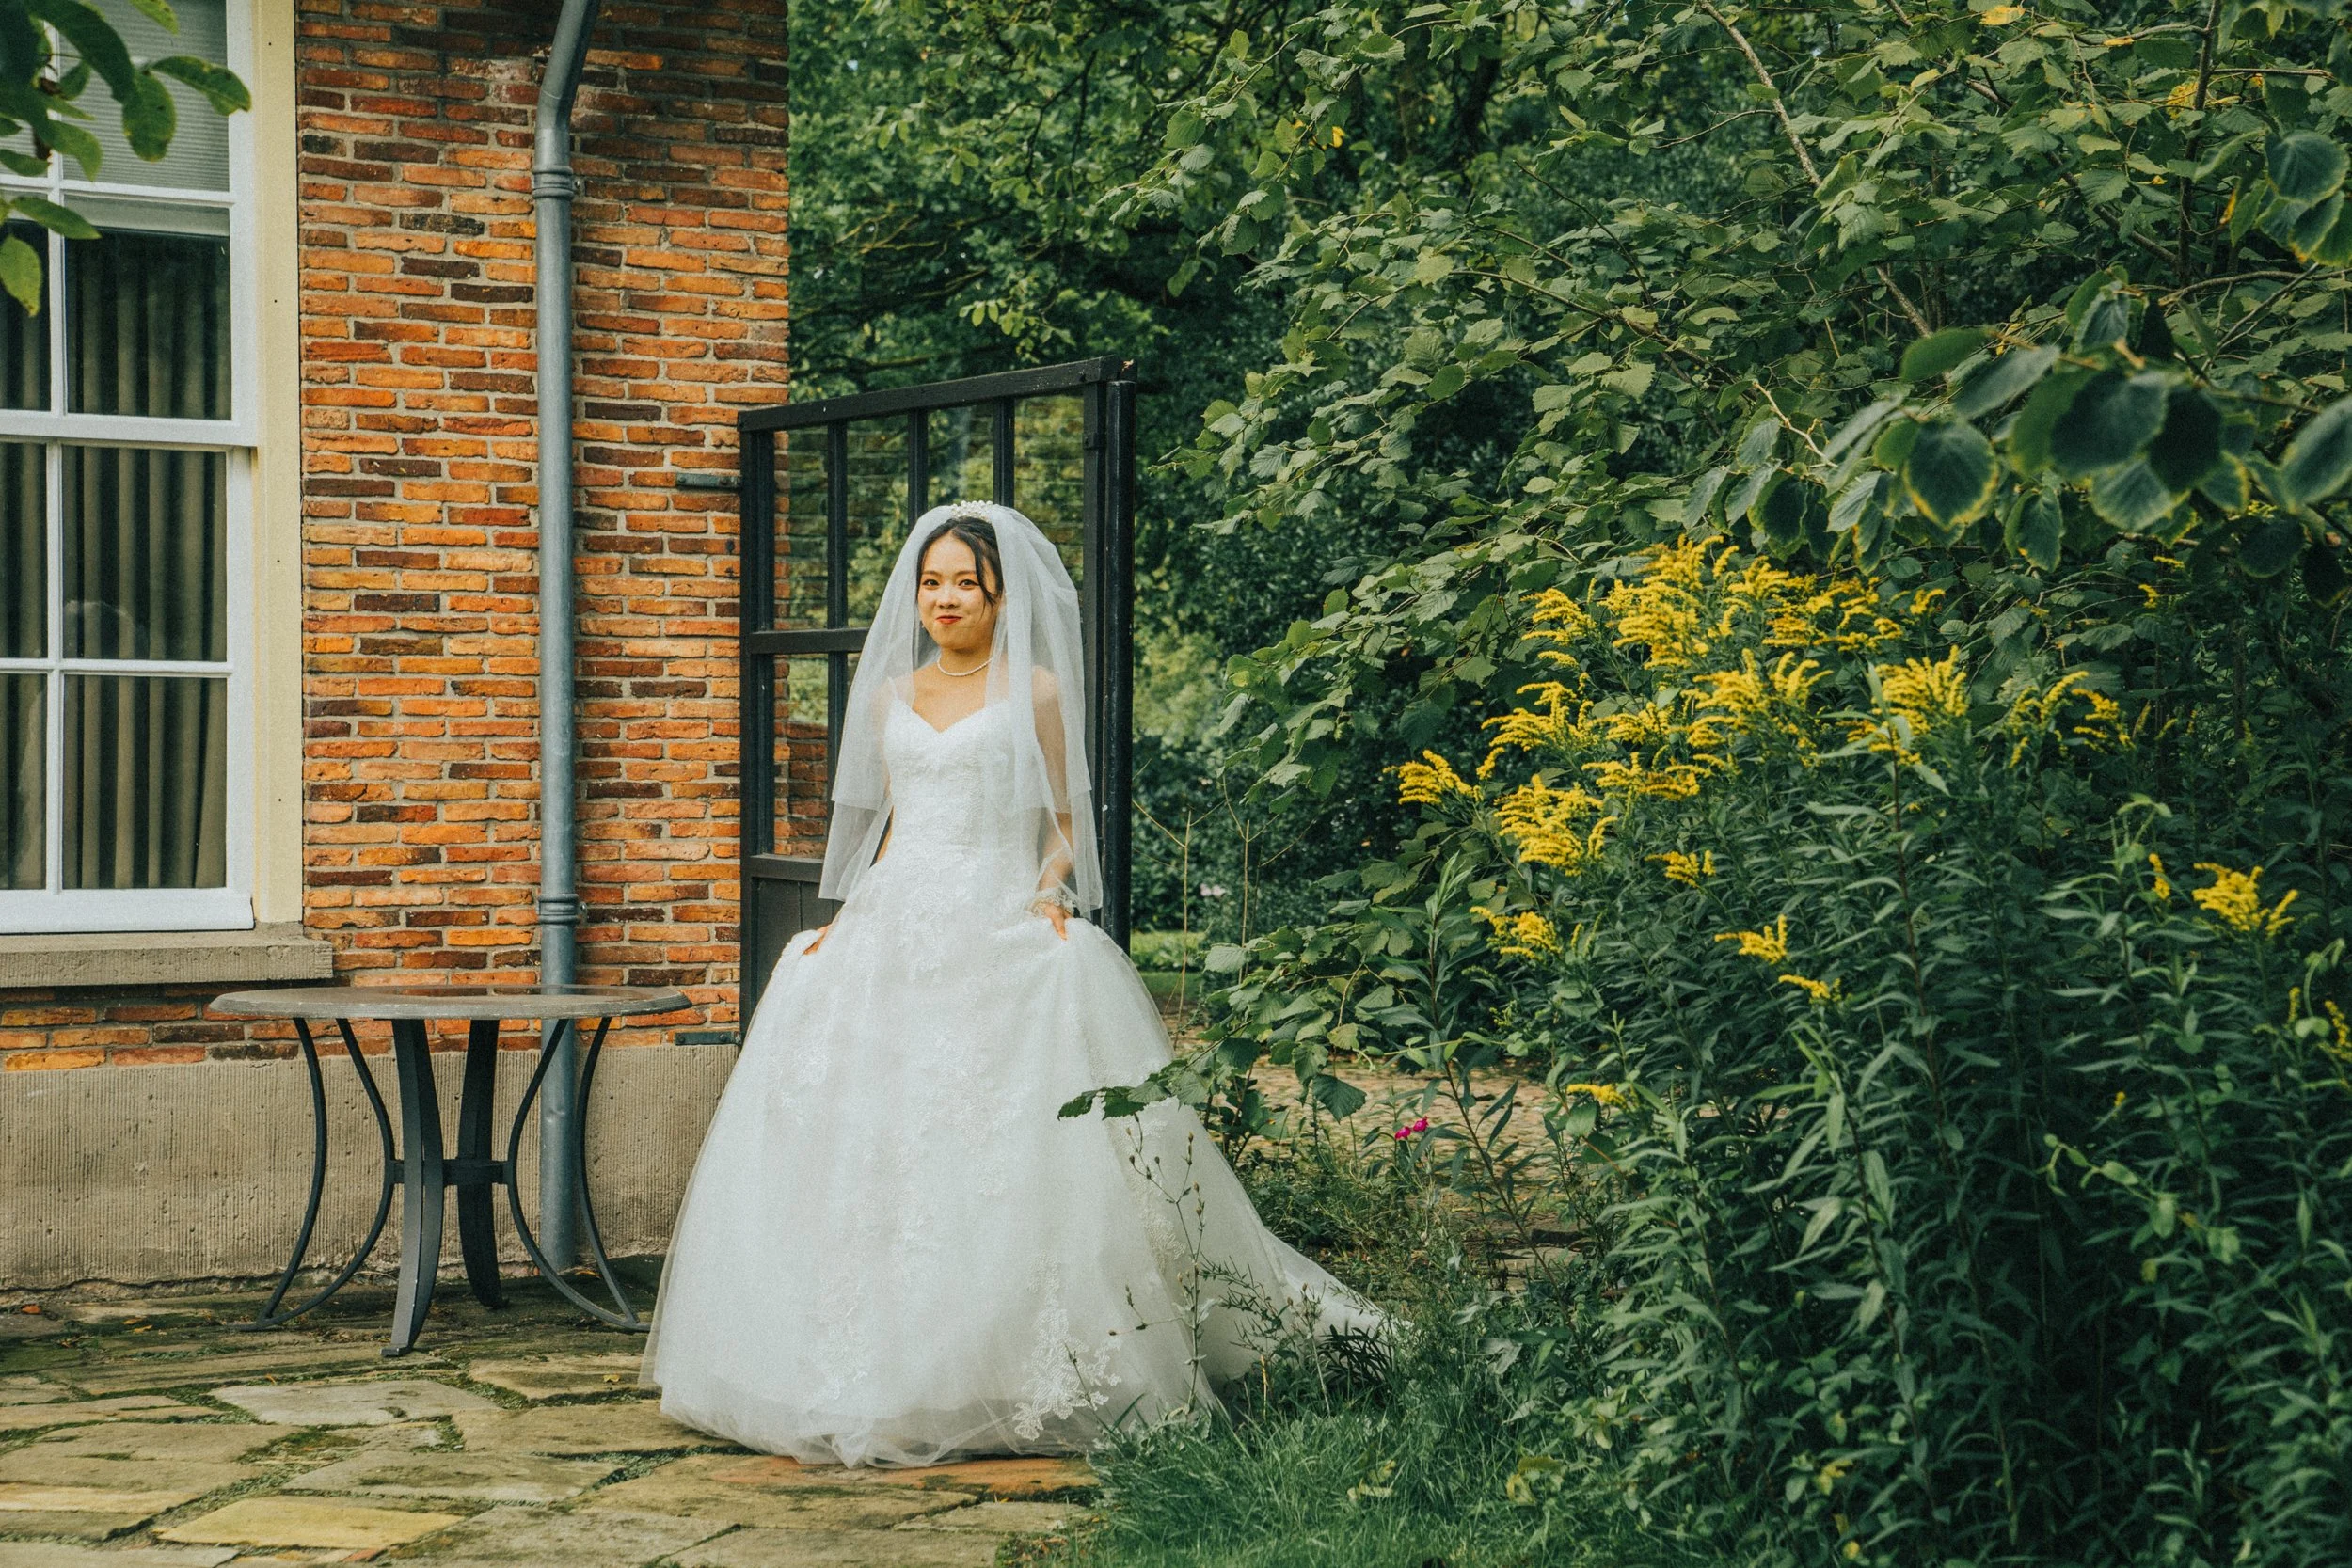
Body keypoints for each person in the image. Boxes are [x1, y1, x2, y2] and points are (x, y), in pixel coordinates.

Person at [641, 502, 1378, 1466]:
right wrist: (849, 919)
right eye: (931, 582)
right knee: (872, 1126)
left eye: (966, 583)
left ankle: (1010, 1360)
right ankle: (878, 1364)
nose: (945, 598)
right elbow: (894, 829)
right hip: (899, 919)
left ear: (999, 595)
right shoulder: (889, 694)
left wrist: (1047, 891)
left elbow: (1065, 822)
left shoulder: (1034, 689)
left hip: (997, 910)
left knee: (1000, 1133)